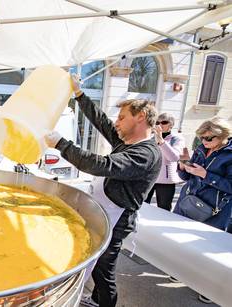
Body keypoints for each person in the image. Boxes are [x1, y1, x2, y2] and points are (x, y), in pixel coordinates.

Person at [45, 75, 161, 307]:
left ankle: (105, 303)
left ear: (141, 117)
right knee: (97, 264)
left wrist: (61, 145)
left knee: (103, 271)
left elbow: (102, 166)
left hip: (117, 220)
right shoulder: (127, 142)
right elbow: (102, 122)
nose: (116, 122)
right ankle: (97, 300)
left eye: (122, 117)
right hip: (105, 212)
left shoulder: (145, 154)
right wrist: (79, 94)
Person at [173, 117, 231, 304]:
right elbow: (185, 176)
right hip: (189, 201)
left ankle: (207, 286)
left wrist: (206, 175)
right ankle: (181, 271)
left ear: (223, 135)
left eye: (209, 138)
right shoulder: (201, 148)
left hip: (215, 210)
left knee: (207, 248)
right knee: (182, 241)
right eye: (201, 138)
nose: (204, 142)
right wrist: (183, 166)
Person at [145, 113, 185, 211]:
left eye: (164, 122)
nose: (160, 125)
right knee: (143, 204)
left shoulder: (176, 138)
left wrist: (161, 141)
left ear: (171, 125)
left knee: (164, 208)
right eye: (157, 122)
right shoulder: (150, 137)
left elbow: (174, 157)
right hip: (149, 178)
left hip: (166, 180)